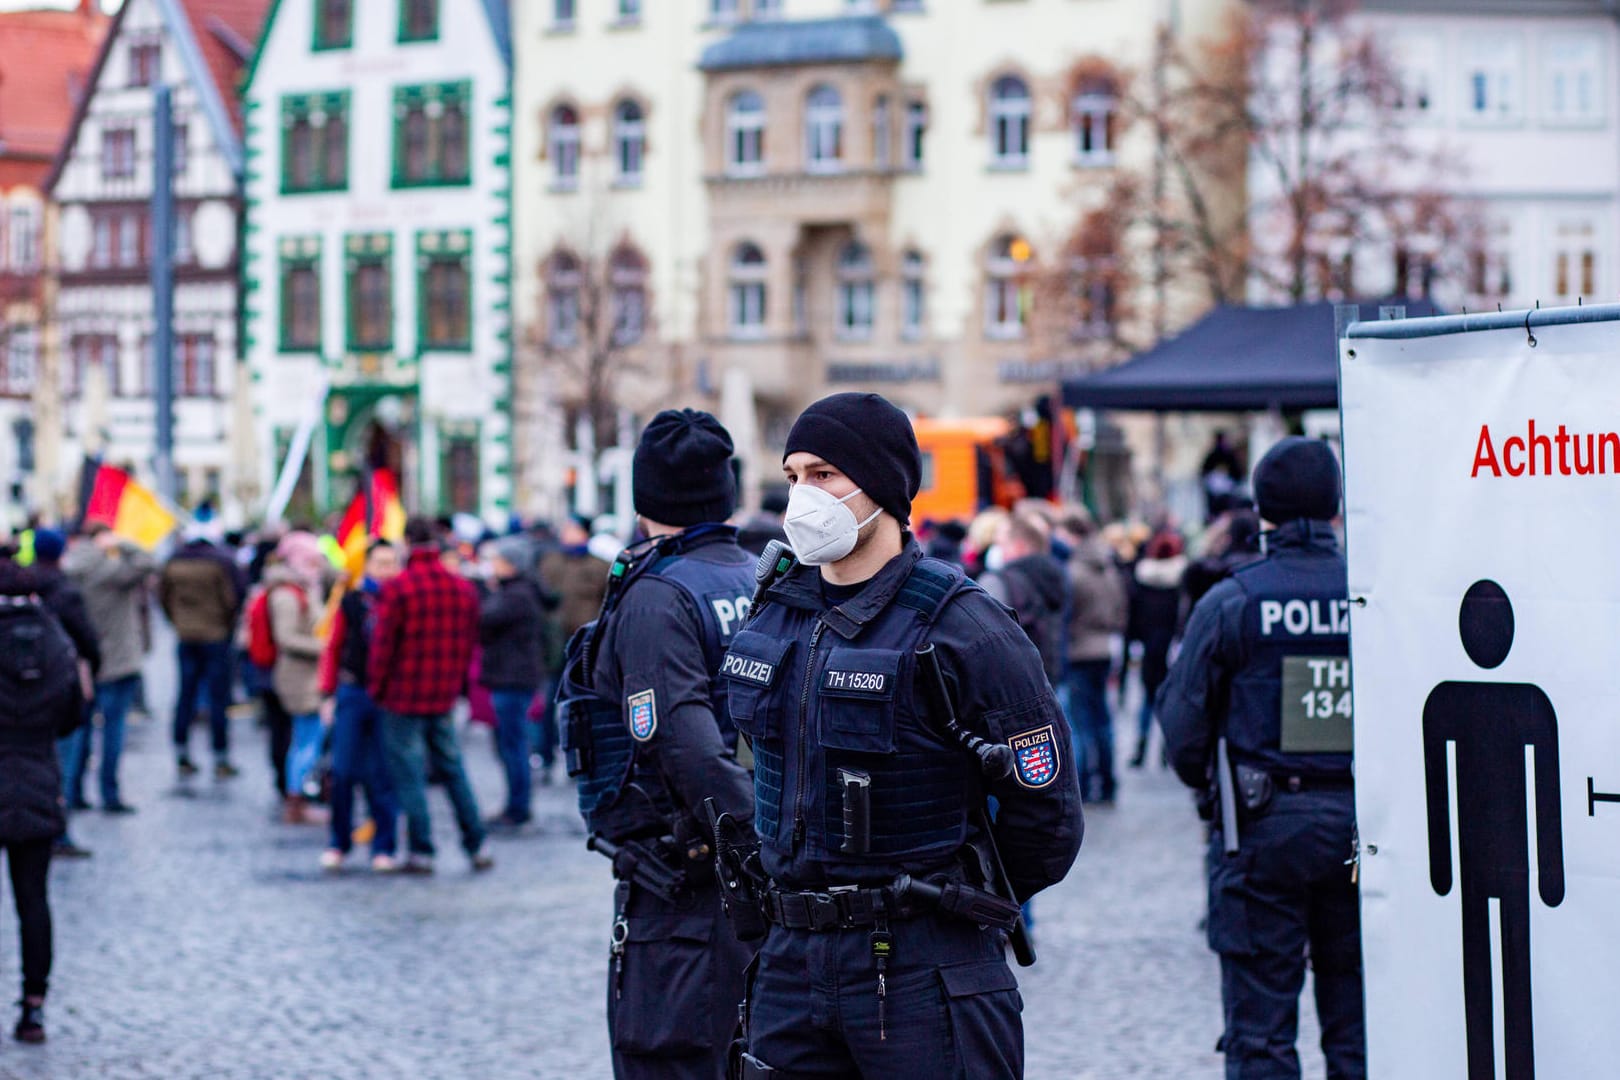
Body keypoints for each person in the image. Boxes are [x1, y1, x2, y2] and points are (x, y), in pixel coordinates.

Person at [726, 393, 1083, 1077]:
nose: (804, 495)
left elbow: (1050, 815)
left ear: (881, 486)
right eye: (794, 475)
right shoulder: (774, 612)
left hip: (922, 965)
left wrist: (957, 907)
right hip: (790, 966)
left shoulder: (965, 625)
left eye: (825, 475)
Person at [1156, 437, 1364, 1080]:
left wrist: (1209, 791)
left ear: (1262, 508)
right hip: (1367, 830)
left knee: (1260, 1034)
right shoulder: (1374, 595)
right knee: (1362, 1027)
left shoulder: (1234, 600)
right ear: (1335, 505)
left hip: (1261, 827)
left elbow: (1182, 726)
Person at [574, 409, 758, 1080]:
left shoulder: (658, 595)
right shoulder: (760, 577)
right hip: (748, 881)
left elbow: (685, 748)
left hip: (689, 888)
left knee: (672, 1059)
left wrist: (755, 856)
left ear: (645, 497)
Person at [369, 518, 492, 875]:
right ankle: (477, 842)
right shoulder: (462, 588)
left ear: (408, 543)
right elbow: (470, 641)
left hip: (403, 694)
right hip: (443, 692)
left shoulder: (399, 589)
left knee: (410, 774)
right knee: (453, 769)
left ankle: (422, 849)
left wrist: (377, 689)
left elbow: (383, 648)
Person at [0, 557, 88, 1044]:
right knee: (33, 901)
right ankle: (33, 1008)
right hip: (37, 773)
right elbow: (74, 713)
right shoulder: (56, 643)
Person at [317, 540, 402, 872]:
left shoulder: (401, 600)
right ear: (367, 566)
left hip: (389, 695)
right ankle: (339, 842)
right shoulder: (351, 601)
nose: (386, 570)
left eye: (392, 563)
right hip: (353, 690)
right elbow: (334, 645)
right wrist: (327, 692)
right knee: (342, 771)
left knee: (383, 773)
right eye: (380, 563)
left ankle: (385, 845)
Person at [62, 524, 156, 813]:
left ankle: (72, 791)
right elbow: (148, 562)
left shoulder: (70, 567)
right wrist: (122, 542)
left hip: (82, 663)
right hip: (117, 661)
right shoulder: (110, 571)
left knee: (80, 730)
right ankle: (109, 793)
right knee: (113, 731)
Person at [28, 530, 101, 859]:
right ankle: (58, 831)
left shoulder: (24, 587)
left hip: (22, 691)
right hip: (61, 687)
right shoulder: (64, 590)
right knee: (64, 762)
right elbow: (86, 640)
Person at [159, 523, 243, 779]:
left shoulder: (174, 561)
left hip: (186, 635)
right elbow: (233, 598)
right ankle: (220, 757)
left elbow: (163, 597)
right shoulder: (221, 562)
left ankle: (181, 752)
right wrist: (226, 626)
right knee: (218, 698)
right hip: (216, 635)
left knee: (186, 694)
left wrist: (178, 622)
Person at [1057, 508, 1129, 804]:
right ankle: (1109, 780)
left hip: (1079, 651)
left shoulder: (1073, 572)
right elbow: (1120, 611)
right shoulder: (1108, 567)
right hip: (1104, 648)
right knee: (1103, 719)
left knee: (1082, 721)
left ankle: (1084, 784)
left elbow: (1065, 616)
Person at [477, 534, 548, 830]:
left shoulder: (516, 595)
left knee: (513, 745)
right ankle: (515, 804)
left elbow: (485, 621)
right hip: (512, 676)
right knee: (511, 743)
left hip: (512, 678)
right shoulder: (519, 591)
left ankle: (517, 807)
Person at [265, 532, 329, 825]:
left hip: (308, 676)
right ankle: (297, 799)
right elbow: (286, 638)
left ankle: (299, 795)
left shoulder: (304, 588)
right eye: (311, 559)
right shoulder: (286, 594)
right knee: (306, 740)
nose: (316, 565)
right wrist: (325, 649)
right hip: (298, 677)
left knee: (307, 738)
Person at [978, 512, 1068, 683]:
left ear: (1018, 546)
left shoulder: (1001, 580)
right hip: (1049, 670)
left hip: (1013, 679)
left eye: (1001, 544)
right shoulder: (1058, 574)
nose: (997, 550)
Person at [1125, 529, 1186, 769]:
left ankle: (1141, 747)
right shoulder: (1181, 582)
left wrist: (1133, 643)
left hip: (1149, 648)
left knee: (1147, 701)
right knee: (1169, 702)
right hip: (1172, 648)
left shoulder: (1142, 579)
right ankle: (1166, 750)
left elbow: (1133, 618)